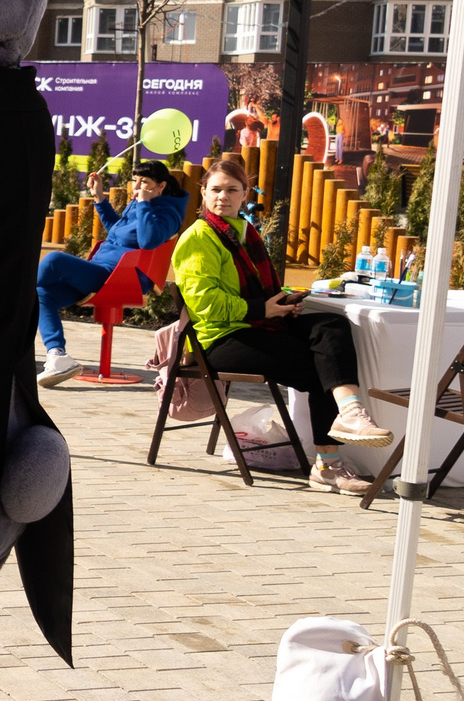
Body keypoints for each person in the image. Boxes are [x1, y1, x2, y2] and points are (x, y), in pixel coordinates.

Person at [171, 154, 392, 490]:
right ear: (203, 193)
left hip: (257, 324)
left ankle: (351, 413)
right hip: (219, 339)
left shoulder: (245, 231)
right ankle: (327, 465)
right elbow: (206, 305)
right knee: (321, 365)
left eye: (232, 189)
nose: (223, 197)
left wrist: (285, 301)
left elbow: (262, 287)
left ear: (245, 194)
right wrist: (263, 310)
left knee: (331, 328)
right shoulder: (198, 238)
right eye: (215, 189)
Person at [35, 157, 186, 385]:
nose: (136, 188)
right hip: (103, 271)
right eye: (135, 181)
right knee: (41, 295)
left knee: (54, 259)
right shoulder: (139, 203)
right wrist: (99, 198)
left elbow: (147, 241)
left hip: (124, 277)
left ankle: (6, 298)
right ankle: (58, 355)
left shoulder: (168, 213)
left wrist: (144, 204)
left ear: (161, 186)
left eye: (143, 182)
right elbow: (118, 232)